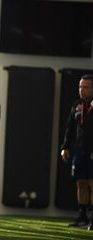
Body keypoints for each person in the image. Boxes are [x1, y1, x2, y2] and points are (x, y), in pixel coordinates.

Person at [61, 74, 93, 230]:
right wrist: (65, 147)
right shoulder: (76, 105)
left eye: (86, 87)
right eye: (80, 87)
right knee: (81, 183)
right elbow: (70, 128)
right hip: (79, 150)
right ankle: (82, 216)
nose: (82, 90)